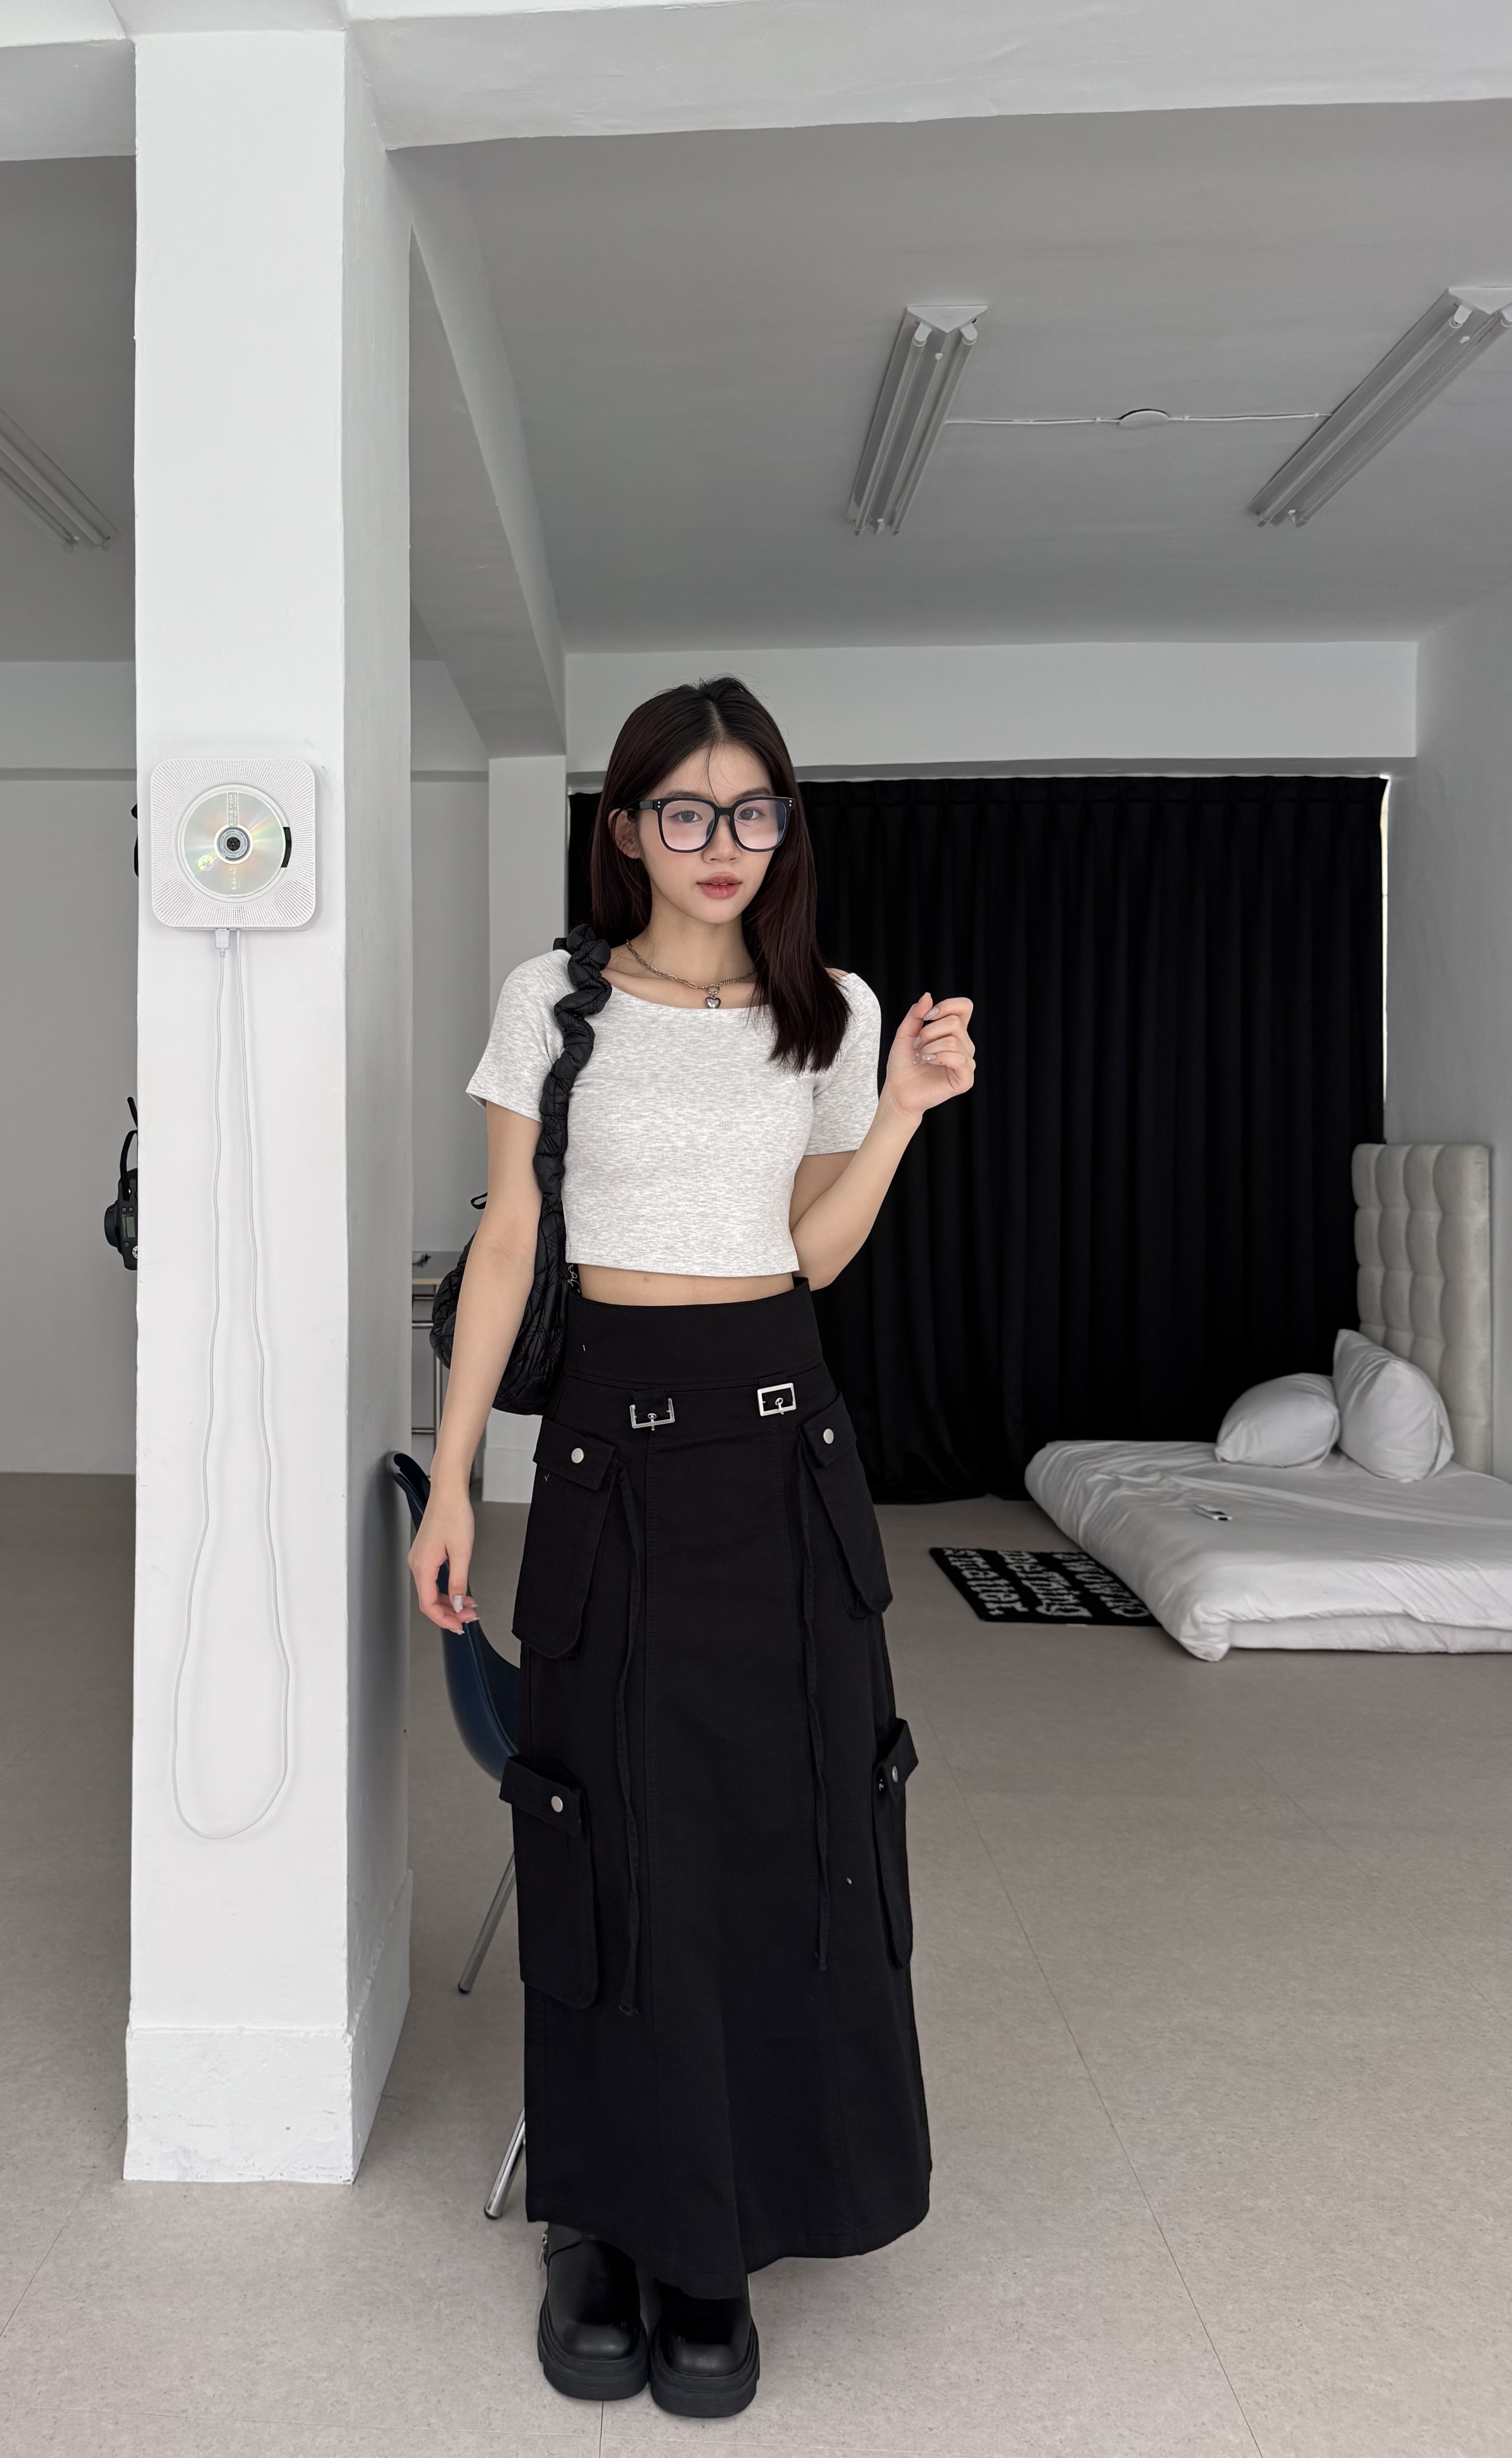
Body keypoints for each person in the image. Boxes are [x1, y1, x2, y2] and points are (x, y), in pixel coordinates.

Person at [409, 676, 976, 2417]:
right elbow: (510, 1245)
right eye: (685, 810)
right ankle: (601, 2215)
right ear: (628, 827)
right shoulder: (553, 1002)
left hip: (784, 1452)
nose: (721, 843)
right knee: (609, 1834)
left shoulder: (832, 1009)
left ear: (784, 826)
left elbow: (812, 1252)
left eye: (752, 811)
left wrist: (900, 1109)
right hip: (612, 1454)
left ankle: (725, 2231)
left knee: (786, 1834)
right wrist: (454, 1475)